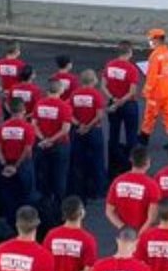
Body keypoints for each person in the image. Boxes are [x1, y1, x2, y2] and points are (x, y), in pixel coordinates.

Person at [31, 79, 73, 219]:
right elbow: (65, 129)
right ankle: (61, 212)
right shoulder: (64, 106)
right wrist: (51, 140)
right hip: (59, 146)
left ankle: (44, 210)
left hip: (43, 146)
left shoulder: (40, 104)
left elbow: (34, 124)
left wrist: (43, 139)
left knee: (44, 177)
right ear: (61, 91)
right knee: (60, 178)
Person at [0, 97, 39, 220]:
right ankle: (26, 221)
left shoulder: (2, 127)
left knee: (8, 195)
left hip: (6, 164)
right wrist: (16, 166)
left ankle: (10, 221)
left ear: (9, 110)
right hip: (23, 166)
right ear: (24, 110)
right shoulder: (28, 127)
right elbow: (27, 149)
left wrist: (5, 164)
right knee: (27, 195)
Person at [68, 71, 108, 199]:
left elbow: (70, 114)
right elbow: (99, 115)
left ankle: (80, 189)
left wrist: (80, 125)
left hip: (78, 131)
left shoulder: (74, 94)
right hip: (94, 131)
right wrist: (88, 126)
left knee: (79, 162)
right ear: (93, 81)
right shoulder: (96, 94)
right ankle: (98, 191)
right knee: (97, 161)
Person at [103, 42, 142, 167]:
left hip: (113, 102)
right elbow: (132, 92)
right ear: (129, 53)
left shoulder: (109, 65)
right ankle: (131, 164)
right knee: (131, 135)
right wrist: (120, 102)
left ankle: (112, 163)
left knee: (113, 133)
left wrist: (113, 99)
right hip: (128, 104)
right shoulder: (131, 69)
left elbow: (103, 86)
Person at [141, 28, 168, 146]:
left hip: (157, 90)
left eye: (151, 40)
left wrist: (146, 91)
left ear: (157, 40)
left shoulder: (155, 55)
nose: (150, 42)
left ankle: (143, 139)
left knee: (150, 115)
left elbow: (151, 77)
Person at [107, 146, 161, 232]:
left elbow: (109, 211)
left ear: (131, 161)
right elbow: (152, 218)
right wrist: (139, 234)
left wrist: (123, 228)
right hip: (144, 235)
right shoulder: (152, 185)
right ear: (148, 163)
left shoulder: (118, 181)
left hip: (125, 236)